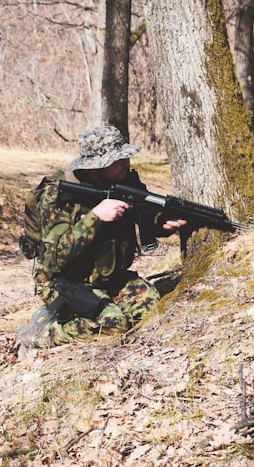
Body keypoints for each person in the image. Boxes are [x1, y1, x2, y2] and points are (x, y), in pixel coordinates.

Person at [16, 125, 186, 349]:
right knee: (113, 324)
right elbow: (52, 258)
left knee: (152, 307)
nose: (126, 163)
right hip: (64, 282)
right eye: (118, 160)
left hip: (109, 279)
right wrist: (95, 217)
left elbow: (145, 217)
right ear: (96, 166)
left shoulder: (124, 182)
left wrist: (163, 225)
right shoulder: (58, 194)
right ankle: (41, 333)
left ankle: (83, 313)